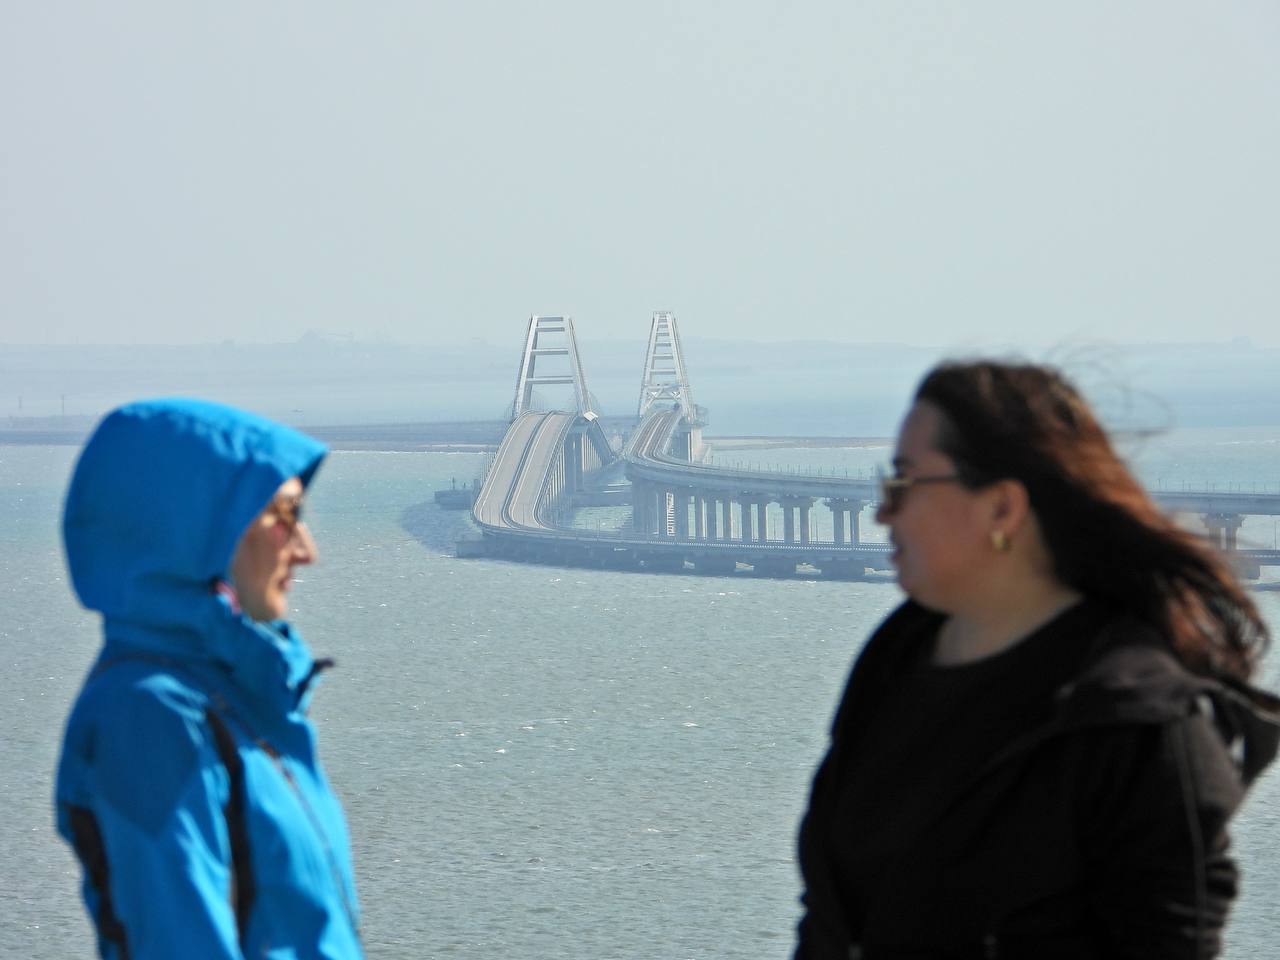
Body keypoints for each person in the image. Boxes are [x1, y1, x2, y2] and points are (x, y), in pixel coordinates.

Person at [795, 361, 1279, 960]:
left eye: (903, 482)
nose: (881, 512)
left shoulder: (1140, 726)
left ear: (1002, 508)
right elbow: (829, 916)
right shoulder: (896, 657)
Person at [55, 398, 363, 959]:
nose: (306, 551)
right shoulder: (151, 715)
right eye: (284, 515)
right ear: (198, 528)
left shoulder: (232, 697)